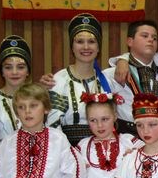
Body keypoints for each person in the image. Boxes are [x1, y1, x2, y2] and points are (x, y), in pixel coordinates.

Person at [48, 13, 125, 143]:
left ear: (98, 47)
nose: (86, 47)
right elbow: (53, 125)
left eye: (91, 42)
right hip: (69, 150)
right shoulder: (60, 80)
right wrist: (68, 154)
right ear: (72, 47)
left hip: (104, 149)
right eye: (79, 42)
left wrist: (123, 60)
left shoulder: (107, 79)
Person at [0, 35, 32, 139]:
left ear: (28, 71)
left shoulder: (37, 99)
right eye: (8, 67)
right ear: (2, 71)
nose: (14, 72)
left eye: (20, 67)